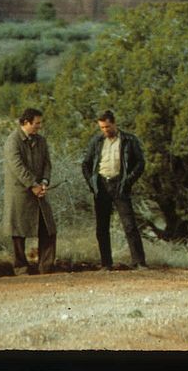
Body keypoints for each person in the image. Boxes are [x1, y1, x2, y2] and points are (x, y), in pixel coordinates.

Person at [81, 110, 147, 270]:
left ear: (114, 123)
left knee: (130, 225)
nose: (105, 130)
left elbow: (140, 162)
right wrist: (93, 184)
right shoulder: (96, 141)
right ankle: (106, 264)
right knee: (102, 227)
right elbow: (86, 164)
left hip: (120, 184)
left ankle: (139, 262)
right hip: (102, 185)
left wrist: (128, 180)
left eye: (108, 127)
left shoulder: (129, 140)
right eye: (102, 127)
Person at [3, 107, 57, 275]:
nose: (39, 126)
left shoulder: (41, 141)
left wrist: (44, 182)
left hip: (39, 191)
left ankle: (46, 267)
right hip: (20, 193)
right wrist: (32, 185)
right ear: (26, 122)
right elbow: (17, 167)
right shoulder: (12, 141)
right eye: (37, 123)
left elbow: (47, 163)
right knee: (18, 232)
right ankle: (21, 269)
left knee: (48, 229)